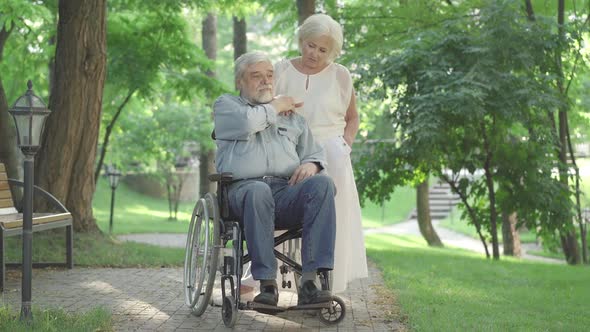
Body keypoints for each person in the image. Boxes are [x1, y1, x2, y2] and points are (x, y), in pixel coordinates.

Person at [213, 51, 337, 306]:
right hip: (242, 193)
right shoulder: (227, 106)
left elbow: (314, 152)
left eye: (269, 75)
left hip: (284, 192)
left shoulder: (292, 119)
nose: (265, 81)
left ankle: (311, 281)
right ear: (240, 81)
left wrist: (312, 164)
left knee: (323, 184)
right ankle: (267, 284)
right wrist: (276, 106)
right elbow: (248, 124)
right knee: (258, 190)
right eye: (256, 76)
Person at [273, 13, 368, 293]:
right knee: (280, 210)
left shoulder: (340, 75)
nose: (314, 53)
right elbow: (263, 108)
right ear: (302, 40)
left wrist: (344, 146)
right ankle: (266, 279)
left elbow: (353, 118)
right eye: (310, 45)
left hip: (331, 156)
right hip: (288, 150)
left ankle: (322, 284)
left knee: (330, 218)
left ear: (332, 52)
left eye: (323, 49)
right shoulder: (280, 70)